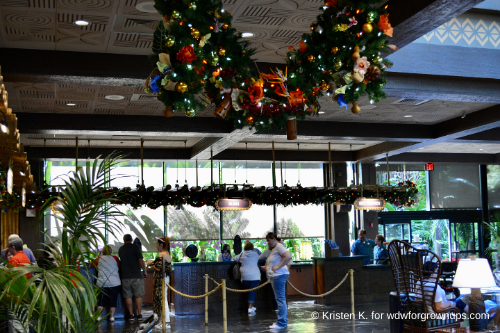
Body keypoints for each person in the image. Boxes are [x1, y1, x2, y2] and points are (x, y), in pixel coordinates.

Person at [260, 232, 292, 329]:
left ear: (274, 239)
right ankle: (282, 322)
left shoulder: (279, 246)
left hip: (279, 275)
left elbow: (288, 256)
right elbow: (275, 262)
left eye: (269, 241)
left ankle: (282, 323)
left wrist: (278, 266)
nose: (268, 243)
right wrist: (267, 268)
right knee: (280, 299)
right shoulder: (275, 248)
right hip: (277, 275)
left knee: (280, 300)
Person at [118, 234, 147, 321]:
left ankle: (131, 314)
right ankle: (139, 314)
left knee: (128, 296)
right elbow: (140, 260)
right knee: (138, 295)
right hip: (136, 276)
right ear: (131, 239)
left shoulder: (121, 249)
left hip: (125, 276)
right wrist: (144, 270)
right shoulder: (136, 247)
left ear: (124, 240)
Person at [91, 245, 121, 322]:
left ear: (102, 251)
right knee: (113, 300)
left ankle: (99, 316)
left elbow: (91, 264)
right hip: (115, 282)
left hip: (102, 283)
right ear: (111, 251)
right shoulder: (115, 258)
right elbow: (119, 265)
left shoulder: (99, 259)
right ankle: (112, 317)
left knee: (101, 300)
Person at [147, 237, 172, 329]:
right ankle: (165, 320)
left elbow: (158, 268)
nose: (156, 246)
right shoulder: (167, 253)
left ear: (161, 245)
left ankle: (165, 321)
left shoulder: (162, 254)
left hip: (161, 279)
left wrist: (152, 265)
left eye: (157, 244)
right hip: (165, 278)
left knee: (162, 299)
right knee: (163, 298)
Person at [234, 241, 261, 315]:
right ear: (252, 248)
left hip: (244, 276)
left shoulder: (242, 254)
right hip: (255, 276)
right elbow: (261, 258)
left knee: (247, 291)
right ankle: (250, 307)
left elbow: (235, 258)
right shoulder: (256, 254)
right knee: (252, 291)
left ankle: (250, 307)